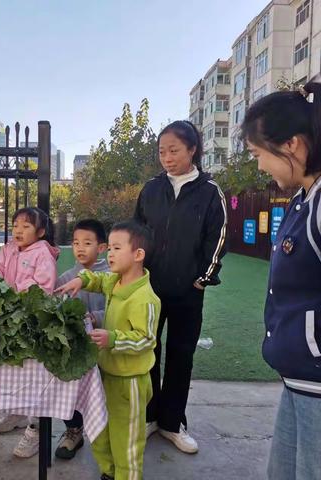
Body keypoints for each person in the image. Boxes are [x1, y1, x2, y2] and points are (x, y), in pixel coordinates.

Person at [240, 79, 321, 480]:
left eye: (258, 154)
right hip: (299, 380)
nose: (258, 165)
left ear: (290, 144)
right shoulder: (302, 198)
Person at [134, 120, 227, 453]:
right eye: (162, 151)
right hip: (149, 290)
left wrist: (203, 278)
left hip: (189, 291)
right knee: (148, 353)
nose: (167, 158)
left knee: (181, 356)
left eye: (174, 150)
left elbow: (217, 238)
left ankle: (173, 423)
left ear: (192, 150)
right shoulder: (151, 189)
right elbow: (137, 233)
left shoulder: (209, 191)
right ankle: (149, 418)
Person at [56, 220, 160, 480]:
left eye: (116, 248)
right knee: (100, 432)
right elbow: (99, 279)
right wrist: (81, 280)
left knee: (127, 442)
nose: (110, 254)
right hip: (104, 376)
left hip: (130, 383)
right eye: (109, 248)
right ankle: (109, 472)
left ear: (138, 255)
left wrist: (113, 338)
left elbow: (145, 340)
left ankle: (126, 475)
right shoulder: (115, 280)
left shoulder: (145, 298)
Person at [0, 206, 59, 458]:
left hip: (32, 324)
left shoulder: (44, 255)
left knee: (34, 375)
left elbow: (44, 288)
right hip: (7, 322)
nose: (18, 230)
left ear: (40, 232)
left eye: (26, 226)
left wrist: (15, 290)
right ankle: (17, 412)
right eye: (16, 224)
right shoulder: (7, 249)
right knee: (12, 371)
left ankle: (36, 427)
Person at [54, 218, 109, 460]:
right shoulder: (66, 277)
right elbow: (55, 309)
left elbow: (118, 311)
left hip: (105, 349)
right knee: (70, 389)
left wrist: (95, 318)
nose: (80, 247)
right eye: (76, 242)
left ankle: (107, 433)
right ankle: (73, 431)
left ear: (102, 247)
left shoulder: (112, 277)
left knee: (106, 393)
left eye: (87, 242)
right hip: (75, 350)